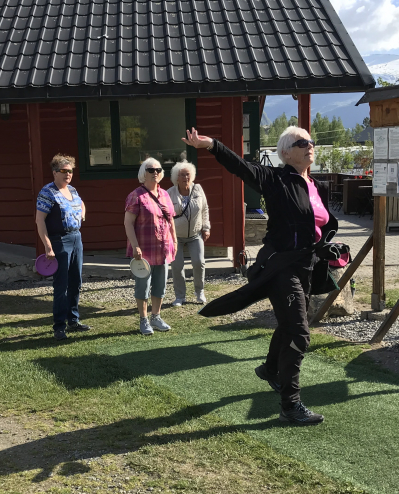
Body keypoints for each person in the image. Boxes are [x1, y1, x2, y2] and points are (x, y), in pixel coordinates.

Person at [183, 126, 339, 426]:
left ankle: (269, 369)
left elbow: (317, 224)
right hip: (281, 267)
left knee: (291, 322)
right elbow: (240, 166)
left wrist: (327, 246)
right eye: (301, 143)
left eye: (311, 142)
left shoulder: (317, 185)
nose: (310, 146)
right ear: (285, 153)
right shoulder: (276, 178)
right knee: (299, 333)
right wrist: (212, 145)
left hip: (307, 265)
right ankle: (290, 404)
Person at [35, 153, 90, 341]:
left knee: (76, 282)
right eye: (64, 171)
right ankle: (59, 326)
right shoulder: (47, 192)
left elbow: (81, 202)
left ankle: (73, 320)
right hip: (60, 241)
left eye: (71, 171)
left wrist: (82, 213)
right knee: (62, 285)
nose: (68, 174)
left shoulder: (72, 190)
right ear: (54, 172)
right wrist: (48, 246)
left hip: (76, 238)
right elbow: (39, 220)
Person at [124, 158, 178, 335]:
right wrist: (135, 245)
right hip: (144, 249)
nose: (155, 172)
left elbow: (170, 220)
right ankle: (143, 319)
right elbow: (128, 223)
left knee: (160, 285)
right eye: (151, 169)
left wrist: (174, 241)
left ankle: (156, 316)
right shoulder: (136, 195)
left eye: (158, 169)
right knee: (143, 286)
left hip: (163, 247)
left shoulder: (165, 194)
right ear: (143, 173)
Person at [166, 162, 210, 306]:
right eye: (182, 175)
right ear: (176, 178)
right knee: (177, 266)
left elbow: (205, 209)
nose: (185, 177)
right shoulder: (169, 193)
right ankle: (180, 296)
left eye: (188, 174)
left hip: (195, 234)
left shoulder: (198, 189)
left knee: (199, 263)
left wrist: (206, 227)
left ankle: (199, 292)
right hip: (175, 236)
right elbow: (165, 216)